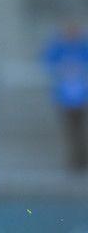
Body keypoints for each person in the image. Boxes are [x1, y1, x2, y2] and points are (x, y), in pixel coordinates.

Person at [42, 17, 88, 171]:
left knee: (80, 129)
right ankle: (76, 160)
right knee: (71, 130)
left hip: (82, 97)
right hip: (65, 98)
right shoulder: (58, 48)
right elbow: (47, 62)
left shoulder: (84, 47)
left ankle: (81, 159)